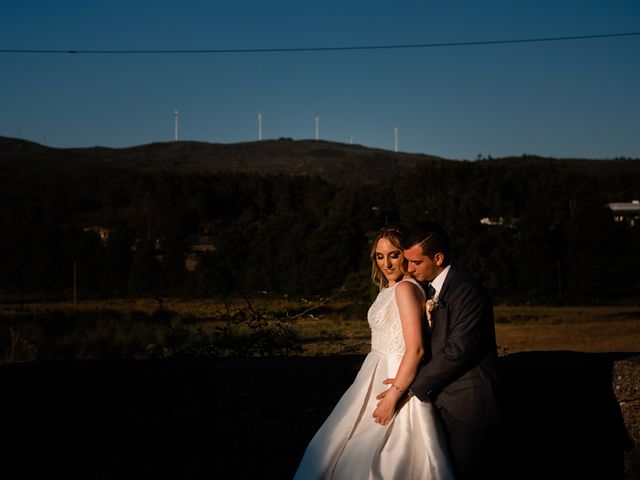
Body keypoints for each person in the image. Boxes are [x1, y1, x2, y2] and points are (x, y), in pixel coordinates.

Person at [293, 225, 454, 479]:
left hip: (394, 376)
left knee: (381, 456)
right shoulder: (389, 289)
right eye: (380, 256)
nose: (387, 263)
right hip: (374, 373)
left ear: (405, 255)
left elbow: (416, 349)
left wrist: (393, 396)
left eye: (394, 255)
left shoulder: (405, 289)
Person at [378, 221, 502, 479]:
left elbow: (457, 351)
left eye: (415, 262)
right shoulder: (430, 288)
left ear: (438, 257)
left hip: (468, 405)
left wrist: (407, 388)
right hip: (439, 400)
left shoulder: (466, 290)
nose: (408, 269)